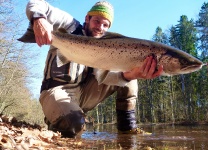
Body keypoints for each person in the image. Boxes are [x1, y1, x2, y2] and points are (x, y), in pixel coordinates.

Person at [19, 0, 163, 138]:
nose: (100, 27)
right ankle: (60, 119)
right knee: (73, 126)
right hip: (56, 91)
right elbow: (36, 3)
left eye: (105, 25)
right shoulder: (70, 25)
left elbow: (104, 77)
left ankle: (127, 130)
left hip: (85, 94)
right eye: (97, 21)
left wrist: (130, 75)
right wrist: (39, 19)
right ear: (87, 18)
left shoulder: (105, 46)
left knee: (130, 76)